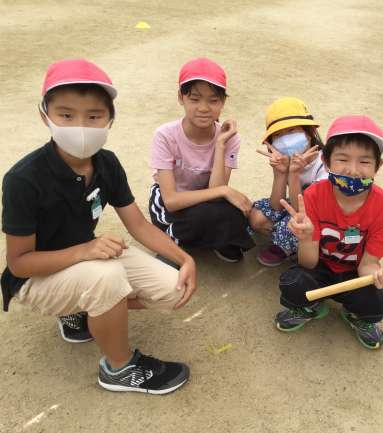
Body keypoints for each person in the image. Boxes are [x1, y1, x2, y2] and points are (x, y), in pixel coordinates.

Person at [1, 59, 197, 394]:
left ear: (110, 119)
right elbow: (19, 263)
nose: (80, 126)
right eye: (66, 115)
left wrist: (185, 259)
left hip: (84, 261)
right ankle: (119, 368)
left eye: (93, 116)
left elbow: (137, 223)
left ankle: (82, 310)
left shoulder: (106, 163)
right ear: (45, 115)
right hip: (34, 279)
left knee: (173, 288)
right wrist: (85, 250)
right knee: (107, 279)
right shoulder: (23, 179)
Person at [274, 115, 383, 349]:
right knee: (293, 283)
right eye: (342, 159)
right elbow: (308, 263)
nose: (353, 170)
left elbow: (368, 265)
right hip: (320, 268)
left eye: (365, 161)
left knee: (376, 300)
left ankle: (356, 316)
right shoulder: (313, 196)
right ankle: (311, 306)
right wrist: (305, 239)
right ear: (326, 161)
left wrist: (380, 277)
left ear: (378, 166)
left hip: (355, 274)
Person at [149, 57, 255, 263]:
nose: (204, 108)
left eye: (213, 100)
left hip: (206, 197)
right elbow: (171, 201)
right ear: (181, 97)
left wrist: (220, 144)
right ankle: (171, 244)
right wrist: (224, 191)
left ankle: (206, 237)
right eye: (195, 99)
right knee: (203, 217)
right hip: (170, 201)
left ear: (223, 102)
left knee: (237, 213)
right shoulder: (165, 135)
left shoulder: (230, 138)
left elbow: (215, 191)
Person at [249, 97, 327, 266]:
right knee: (257, 216)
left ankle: (299, 246)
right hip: (296, 203)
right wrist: (280, 173)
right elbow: (276, 205)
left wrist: (294, 173)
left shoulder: (324, 164)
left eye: (291, 131)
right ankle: (290, 242)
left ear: (309, 132)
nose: (285, 140)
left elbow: (302, 210)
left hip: (319, 213)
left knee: (296, 223)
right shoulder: (285, 159)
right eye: (277, 135)